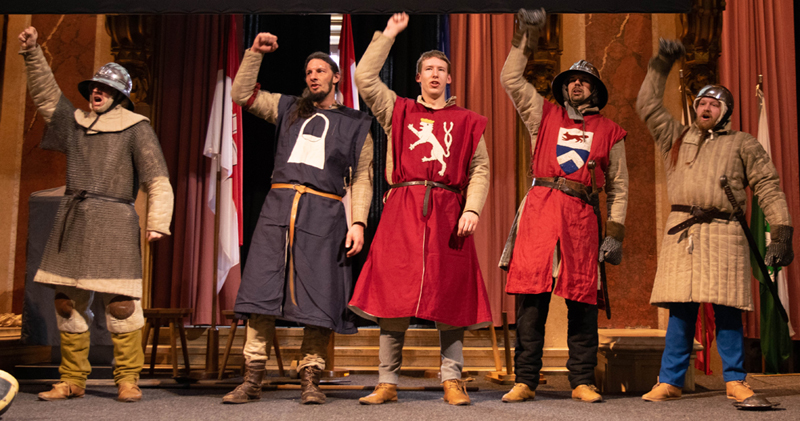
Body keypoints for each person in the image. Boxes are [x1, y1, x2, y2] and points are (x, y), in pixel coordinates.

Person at [19, 27, 174, 403]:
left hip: (114, 223)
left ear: (119, 95)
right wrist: (33, 52)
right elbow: (46, 95)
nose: (96, 92)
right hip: (73, 221)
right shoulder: (75, 124)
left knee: (121, 307)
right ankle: (72, 379)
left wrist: (158, 222)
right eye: (93, 88)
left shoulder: (136, 129)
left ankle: (128, 378)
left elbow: (157, 179)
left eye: (104, 88)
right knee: (67, 304)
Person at [637, 39, 793, 403]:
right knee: (681, 311)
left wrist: (781, 232)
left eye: (714, 104)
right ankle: (670, 380)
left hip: (725, 232)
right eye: (702, 103)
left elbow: (768, 186)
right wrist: (661, 63)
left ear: (725, 112)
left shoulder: (743, 143)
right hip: (683, 234)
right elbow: (646, 104)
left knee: (727, 309)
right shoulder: (676, 137)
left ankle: (735, 379)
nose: (706, 107)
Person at [348, 12, 493, 406]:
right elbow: (364, 77)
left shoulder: (467, 121)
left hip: (448, 211)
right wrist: (390, 33)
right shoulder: (398, 111)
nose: (434, 74)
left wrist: (472, 209)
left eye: (440, 69)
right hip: (403, 209)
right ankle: (387, 381)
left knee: (450, 295)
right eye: (428, 69)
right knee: (392, 294)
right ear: (418, 78)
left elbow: (480, 170)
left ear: (449, 78)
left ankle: (453, 379)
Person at [222, 32, 373, 405]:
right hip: (279, 208)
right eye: (308, 72)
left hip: (324, 214)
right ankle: (252, 379)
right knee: (261, 291)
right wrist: (254, 54)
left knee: (320, 297)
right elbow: (240, 94)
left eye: (320, 70)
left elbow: (362, 177)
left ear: (336, 77)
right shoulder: (288, 107)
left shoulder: (355, 123)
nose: (313, 76)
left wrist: (358, 223)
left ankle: (311, 379)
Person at [499, 9, 629, 404]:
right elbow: (510, 78)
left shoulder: (610, 132)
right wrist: (526, 35)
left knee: (582, 301)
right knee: (531, 300)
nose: (576, 84)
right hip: (540, 211)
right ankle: (525, 380)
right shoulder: (543, 115)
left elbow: (619, 187)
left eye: (584, 81)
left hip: (581, 218)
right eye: (572, 80)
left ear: (595, 91)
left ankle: (582, 380)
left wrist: (615, 233)